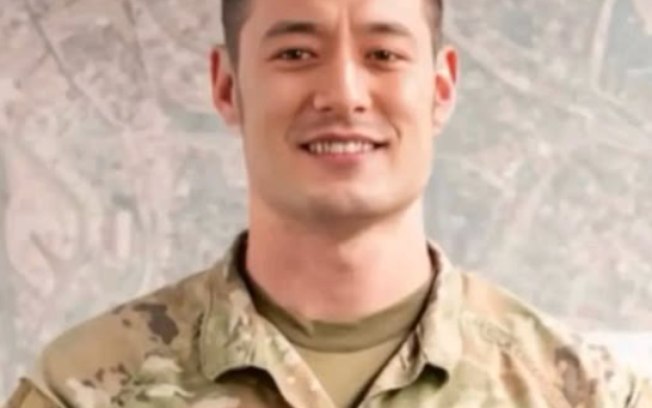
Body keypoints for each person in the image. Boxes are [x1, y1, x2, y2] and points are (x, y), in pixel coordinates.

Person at [4, 0, 651, 406]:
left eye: (383, 54)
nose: (343, 92)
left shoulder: (587, 395)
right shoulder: (81, 390)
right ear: (227, 86)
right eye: (295, 53)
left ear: (440, 87)